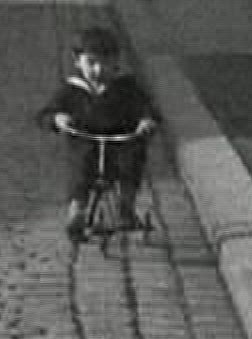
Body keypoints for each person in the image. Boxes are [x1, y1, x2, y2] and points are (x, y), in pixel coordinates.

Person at [36, 26, 160, 242]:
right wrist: (58, 118)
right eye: (91, 63)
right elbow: (46, 113)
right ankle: (77, 212)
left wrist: (146, 120)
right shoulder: (71, 90)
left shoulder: (127, 88)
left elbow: (146, 108)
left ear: (116, 63)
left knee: (130, 166)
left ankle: (126, 208)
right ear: (78, 62)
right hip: (86, 142)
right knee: (80, 174)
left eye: (106, 63)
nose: (98, 69)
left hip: (120, 141)